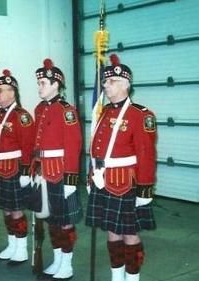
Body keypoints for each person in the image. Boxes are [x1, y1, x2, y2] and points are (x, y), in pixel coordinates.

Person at [85, 54, 157, 281]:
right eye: (105, 82)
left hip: (125, 182)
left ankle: (132, 278)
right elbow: (96, 148)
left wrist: (145, 190)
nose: (105, 85)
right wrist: (91, 176)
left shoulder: (141, 115)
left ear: (126, 84)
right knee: (112, 231)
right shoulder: (104, 112)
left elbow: (146, 154)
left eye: (111, 82)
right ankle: (117, 275)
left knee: (129, 234)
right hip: (103, 179)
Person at [33, 59, 83, 279]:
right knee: (51, 220)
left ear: (56, 84)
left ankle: (67, 263)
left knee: (65, 222)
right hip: (43, 172)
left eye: (43, 82)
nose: (39, 87)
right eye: (39, 83)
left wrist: (71, 180)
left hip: (61, 172)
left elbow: (74, 145)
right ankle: (57, 260)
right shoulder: (40, 109)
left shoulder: (66, 111)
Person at [0, 69, 35, 265]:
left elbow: (28, 146)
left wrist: (26, 171)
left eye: (1, 90)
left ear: (12, 93)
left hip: (14, 167)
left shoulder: (21, 116)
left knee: (16, 210)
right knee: (6, 210)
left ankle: (22, 249)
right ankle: (11, 244)